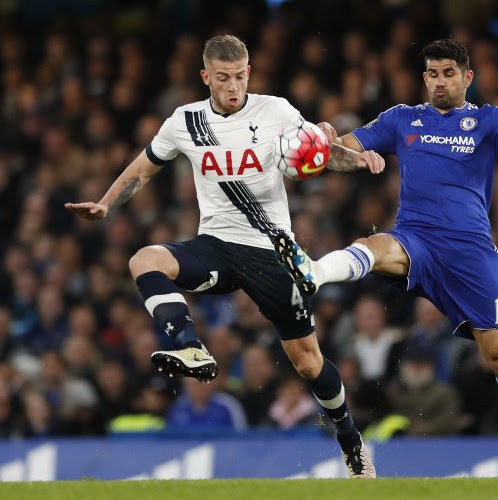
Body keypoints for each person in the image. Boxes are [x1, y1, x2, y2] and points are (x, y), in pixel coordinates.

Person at [65, 35, 380, 477]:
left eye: (240, 76)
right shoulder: (185, 121)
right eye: (223, 78)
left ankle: (351, 443)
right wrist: (105, 203)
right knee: (144, 259)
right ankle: (191, 348)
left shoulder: (277, 111)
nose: (233, 86)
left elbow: (318, 154)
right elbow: (142, 169)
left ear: (249, 72)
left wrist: (357, 159)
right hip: (215, 244)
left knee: (307, 361)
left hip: (273, 252)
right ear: (205, 77)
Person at [274, 38, 498, 476]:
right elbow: (341, 152)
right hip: (418, 240)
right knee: (375, 247)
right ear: (424, 77)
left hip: (470, 252)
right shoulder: (401, 119)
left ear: (467, 77)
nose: (440, 81)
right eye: (432, 73)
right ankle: (312, 272)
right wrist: (326, 142)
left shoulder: (488, 120)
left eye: (449, 72)